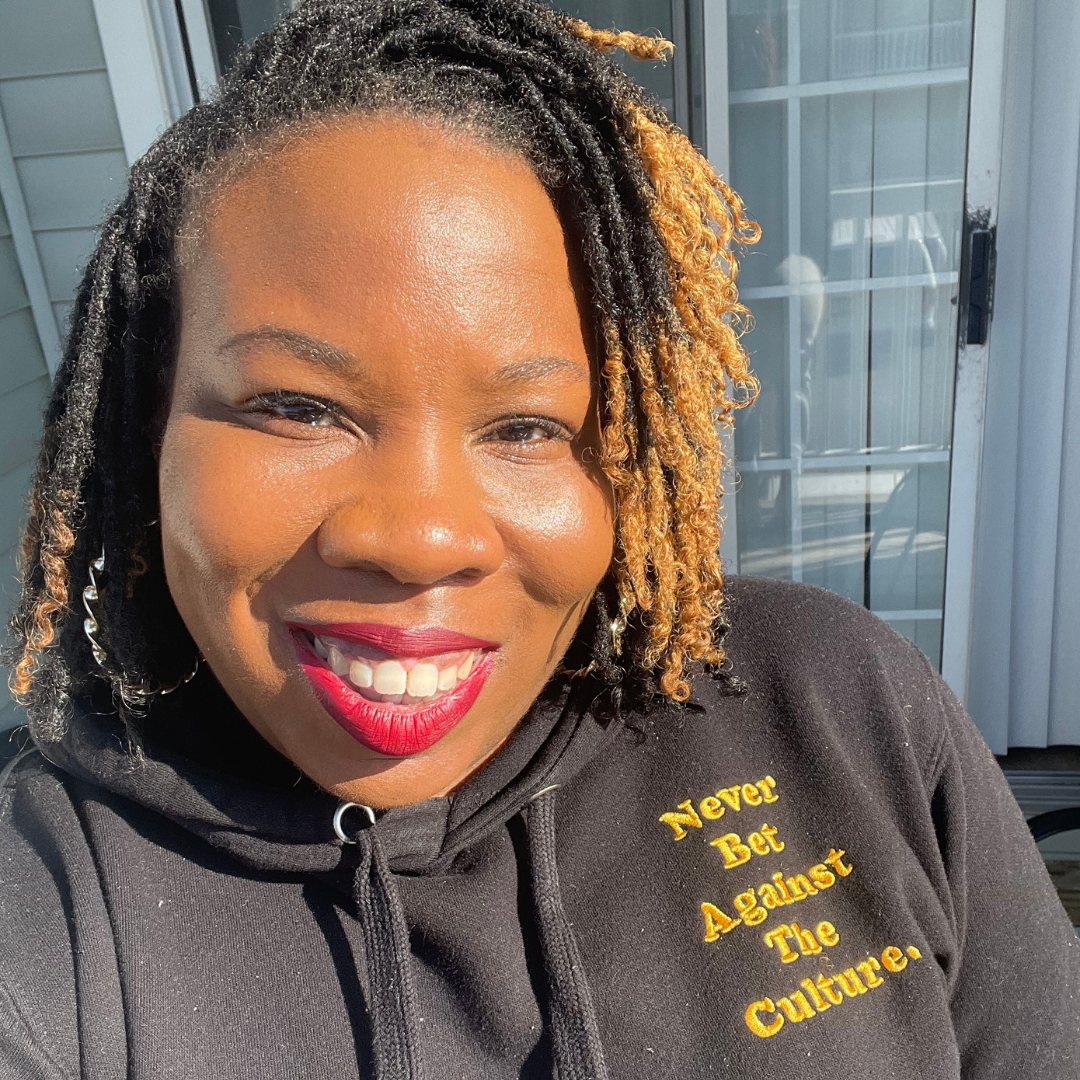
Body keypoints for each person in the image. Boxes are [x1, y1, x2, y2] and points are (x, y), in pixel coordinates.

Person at [2, 2, 1078, 1077]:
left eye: (527, 427)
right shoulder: (43, 912)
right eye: (296, 406)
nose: (421, 539)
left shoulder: (842, 711)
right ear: (144, 432)